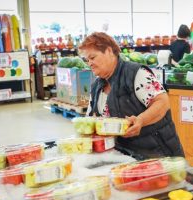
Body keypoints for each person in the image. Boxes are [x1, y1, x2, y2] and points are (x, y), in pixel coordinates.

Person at [79, 32, 184, 160]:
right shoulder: (97, 86)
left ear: (109, 51)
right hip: (126, 156)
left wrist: (141, 120)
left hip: (159, 154)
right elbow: (91, 119)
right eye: (87, 60)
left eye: (93, 57)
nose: (89, 63)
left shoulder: (136, 74)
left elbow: (162, 102)